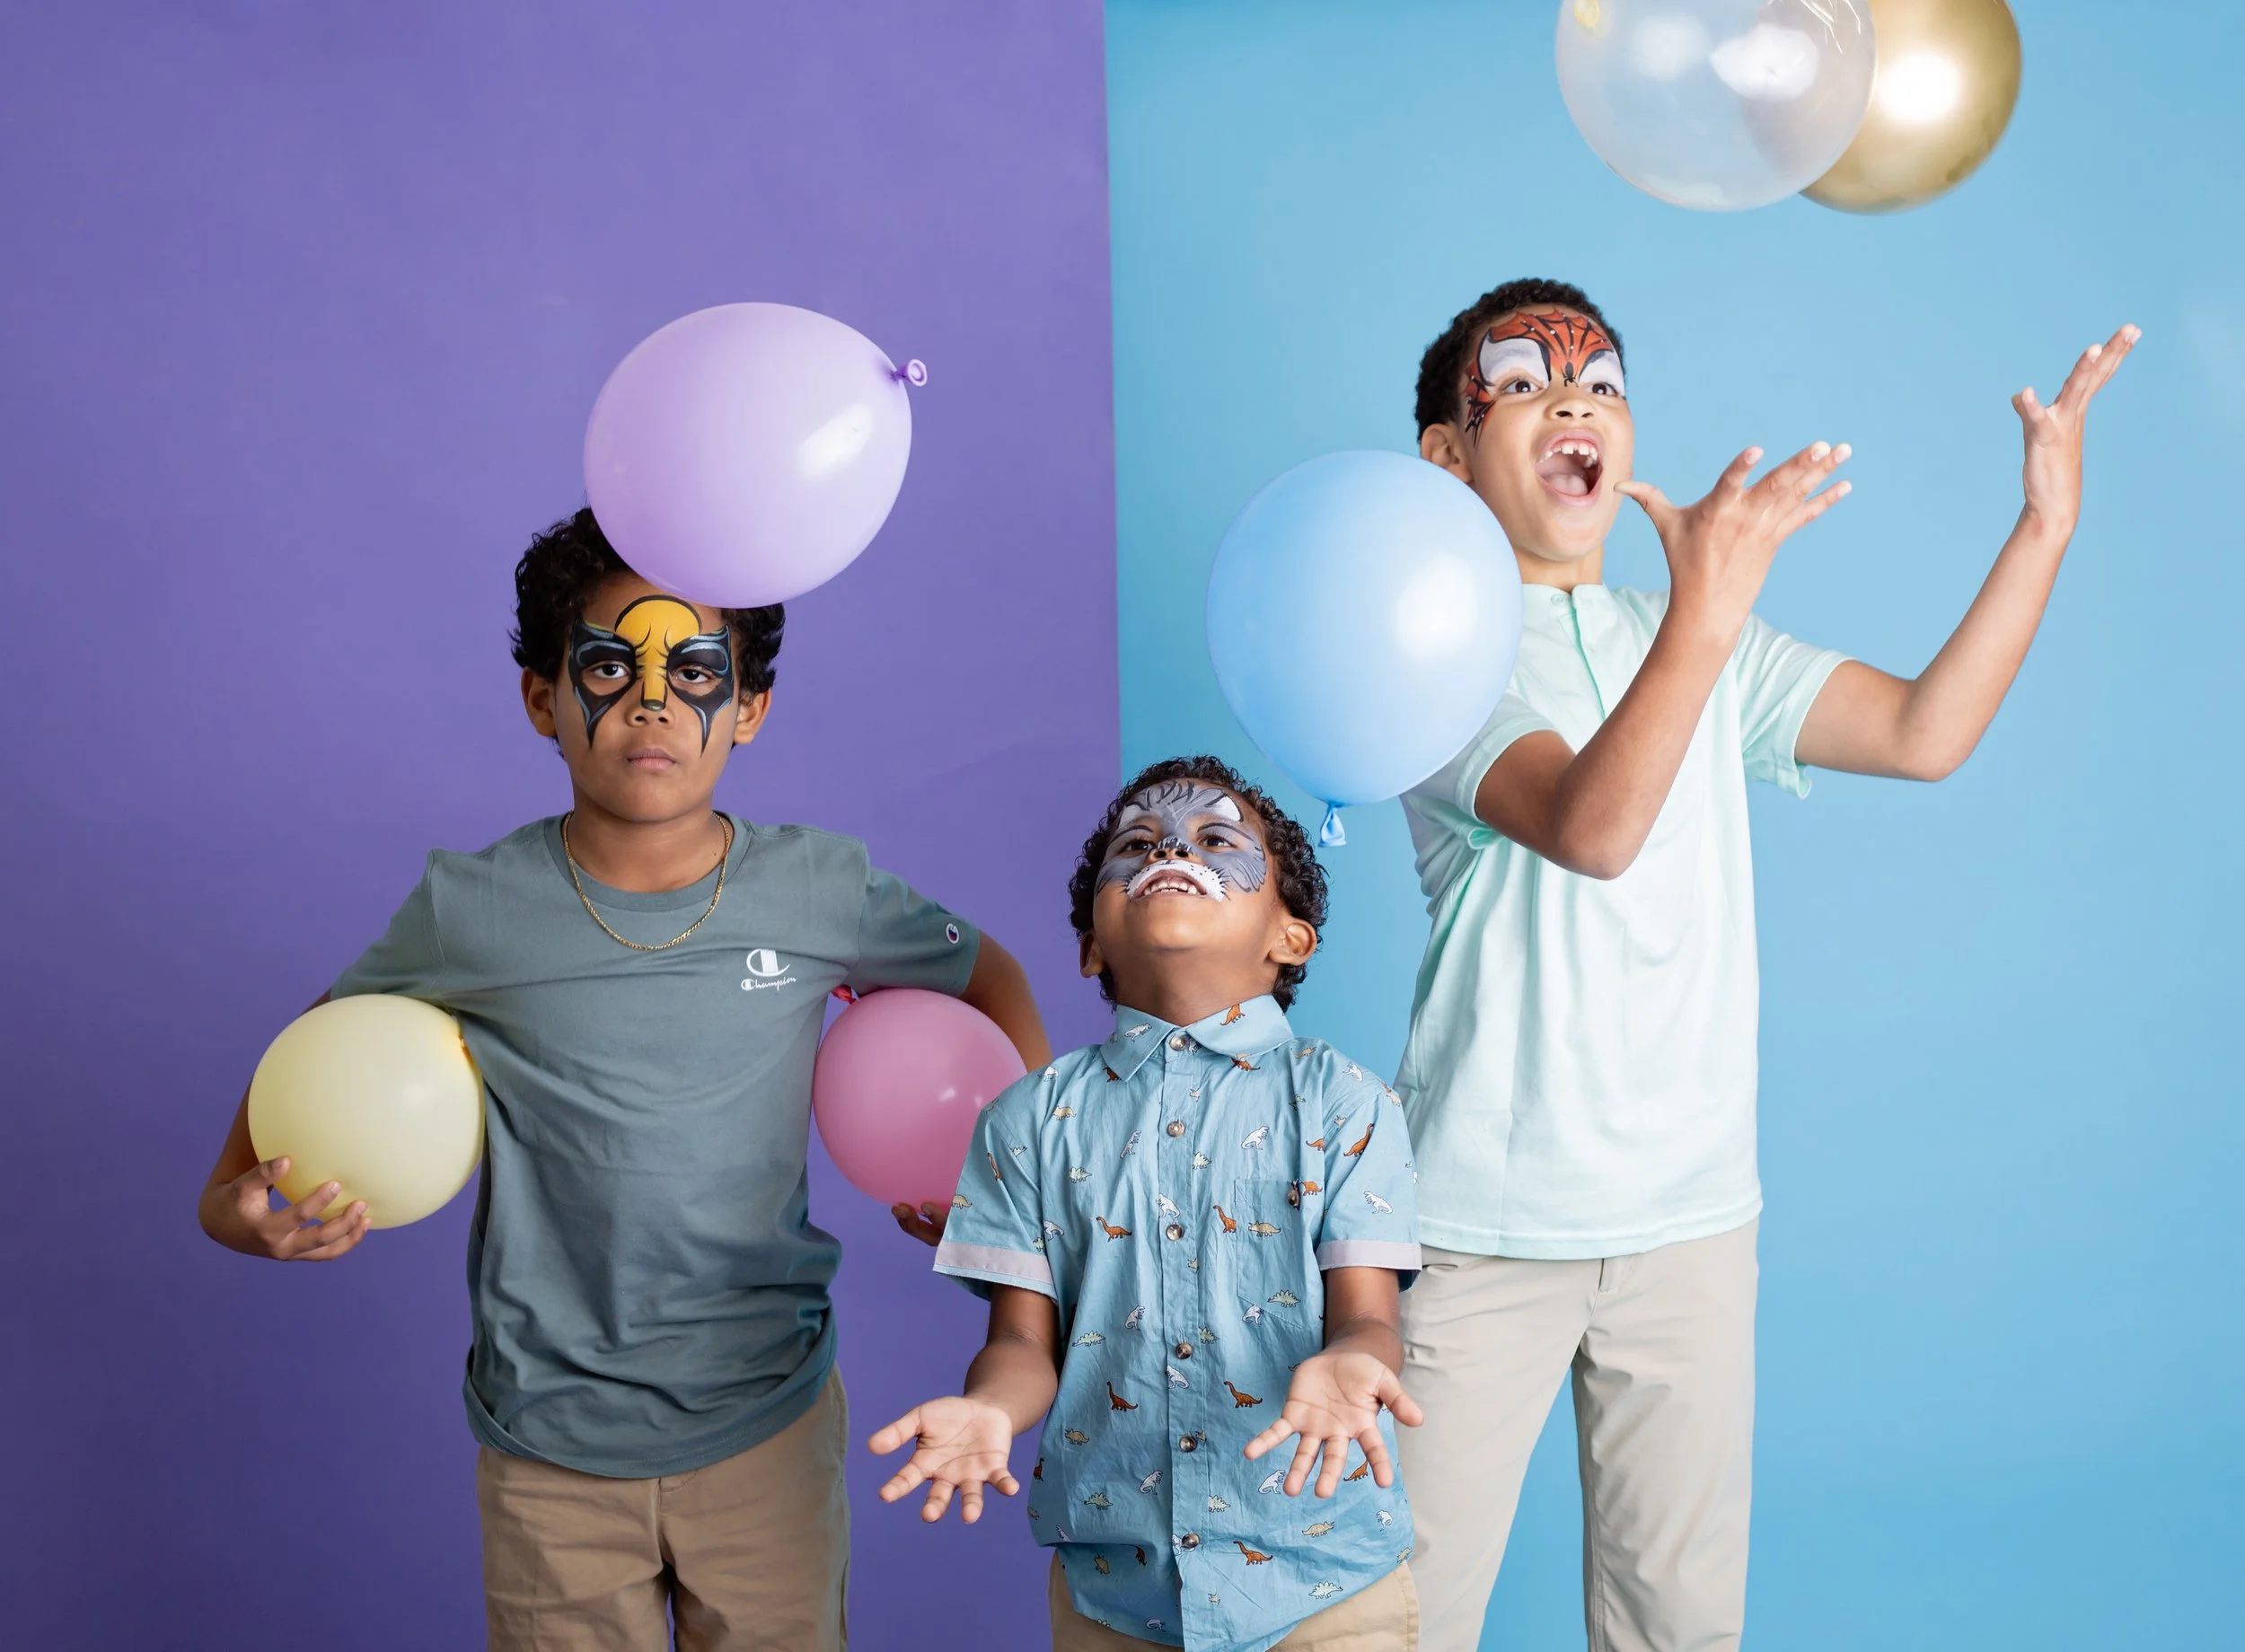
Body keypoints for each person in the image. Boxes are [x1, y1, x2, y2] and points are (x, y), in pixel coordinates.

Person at [1393, 277, 2135, 1652]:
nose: (1577, 398)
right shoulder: (1433, 658)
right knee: (1402, 1621)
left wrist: (2045, 529)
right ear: (1447, 453)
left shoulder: (1688, 644)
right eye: (1525, 378)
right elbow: (1589, 827)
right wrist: (1708, 614)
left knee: (1680, 1627)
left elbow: (1924, 730)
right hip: (1479, 1226)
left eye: (1604, 381)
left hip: (1692, 1217)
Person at [194, 507, 1052, 1652]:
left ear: (747, 709)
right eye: (609, 664)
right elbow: (315, 1047)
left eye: (696, 670)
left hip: (766, 1419)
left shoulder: (818, 890)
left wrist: (1019, 1187)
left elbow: (987, 973)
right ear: (543, 699)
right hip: (548, 1443)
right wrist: (232, 1204)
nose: (653, 700)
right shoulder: (473, 907)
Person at [872, 758, 1426, 1652]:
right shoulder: (1030, 1118)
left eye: (1215, 840)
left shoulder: (1346, 1103)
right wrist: (989, 1410)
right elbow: (1020, 1343)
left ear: (1291, 937)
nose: (1171, 849)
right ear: (1092, 944)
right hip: (1115, 1603)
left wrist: (1353, 1361)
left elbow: (1370, 1318)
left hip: (1324, 1588)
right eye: (1137, 844)